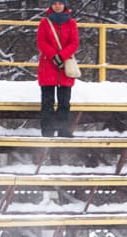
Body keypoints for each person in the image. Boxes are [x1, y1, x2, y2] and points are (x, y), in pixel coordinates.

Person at [37, 1, 78, 137]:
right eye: (54, 3)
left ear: (64, 5)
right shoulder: (44, 22)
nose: (57, 6)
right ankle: (47, 131)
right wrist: (54, 56)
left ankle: (63, 130)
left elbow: (74, 42)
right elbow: (41, 42)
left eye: (60, 3)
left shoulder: (71, 23)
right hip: (48, 66)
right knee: (47, 102)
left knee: (64, 102)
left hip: (64, 67)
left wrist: (61, 56)